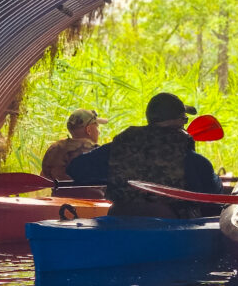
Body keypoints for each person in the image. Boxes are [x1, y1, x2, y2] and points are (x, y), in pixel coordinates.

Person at [66, 93, 223, 218]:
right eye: (185, 119)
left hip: (120, 219)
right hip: (169, 229)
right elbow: (213, 194)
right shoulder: (192, 160)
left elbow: (76, 169)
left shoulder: (117, 149)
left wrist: (112, 174)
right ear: (180, 121)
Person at [40, 108, 108, 181]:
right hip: (93, 192)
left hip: (60, 192)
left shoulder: (55, 149)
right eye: (97, 126)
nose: (99, 132)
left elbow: (43, 177)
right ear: (88, 130)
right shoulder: (95, 150)